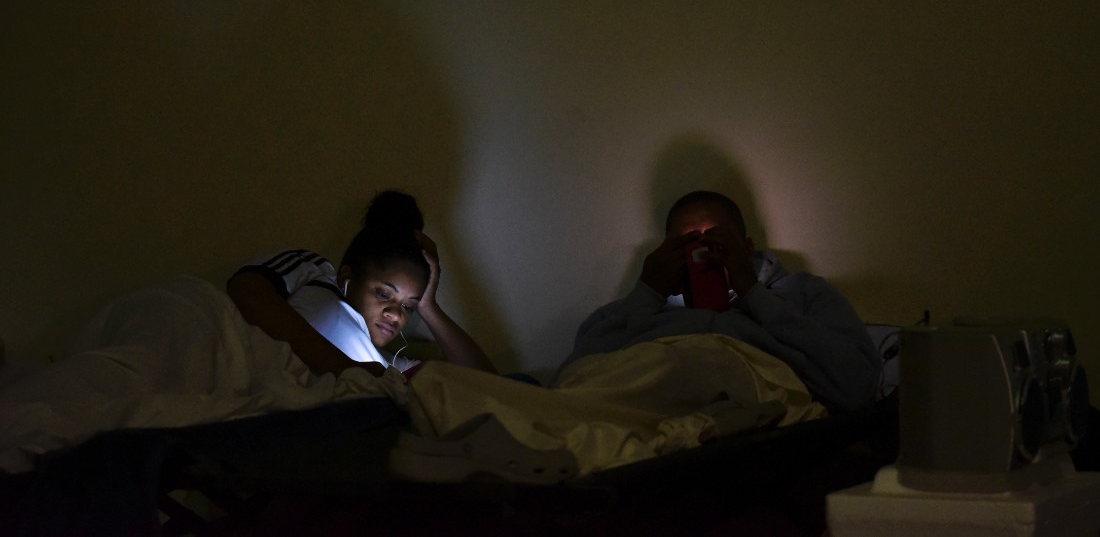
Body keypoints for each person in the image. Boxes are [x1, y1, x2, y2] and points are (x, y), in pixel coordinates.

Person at [557, 190, 880, 412]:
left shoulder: (804, 294)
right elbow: (570, 388)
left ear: (747, 247)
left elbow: (856, 388)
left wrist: (752, 294)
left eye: (717, 240)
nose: (704, 255)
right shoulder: (625, 314)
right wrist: (647, 294)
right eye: (689, 244)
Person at [227, 190, 496, 378]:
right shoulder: (316, 272)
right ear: (347, 278)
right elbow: (247, 291)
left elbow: (488, 385)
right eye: (383, 294)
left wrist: (427, 305)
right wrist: (350, 372)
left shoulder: (388, 367)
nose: (395, 314)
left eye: (407, 306)